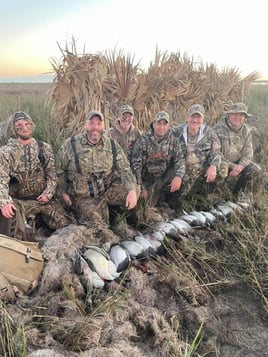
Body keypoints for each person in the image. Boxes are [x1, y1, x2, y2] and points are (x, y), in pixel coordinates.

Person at [55, 110, 139, 244]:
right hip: (84, 197)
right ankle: (100, 223)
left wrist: (132, 191)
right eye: (91, 123)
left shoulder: (111, 145)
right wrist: (63, 191)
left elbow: (125, 169)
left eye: (99, 123)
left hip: (106, 191)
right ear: (85, 125)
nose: (95, 127)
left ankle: (127, 220)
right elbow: (58, 170)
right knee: (99, 232)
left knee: (134, 190)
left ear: (103, 126)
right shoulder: (70, 145)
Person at [0, 111, 69, 239]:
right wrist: (5, 202)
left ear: (32, 125)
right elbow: (1, 181)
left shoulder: (44, 148)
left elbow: (52, 176)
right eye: (19, 125)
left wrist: (48, 194)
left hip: (43, 201)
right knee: (18, 235)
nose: (24, 128)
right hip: (19, 204)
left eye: (27, 124)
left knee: (66, 227)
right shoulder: (6, 152)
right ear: (14, 129)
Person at [131, 111, 185, 207]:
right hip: (146, 181)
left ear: (169, 126)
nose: (161, 127)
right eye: (159, 123)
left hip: (162, 179)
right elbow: (135, 166)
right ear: (153, 124)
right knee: (145, 205)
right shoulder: (143, 141)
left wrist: (178, 177)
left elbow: (180, 160)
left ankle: (173, 205)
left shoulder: (173, 141)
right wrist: (140, 187)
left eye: (165, 124)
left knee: (184, 176)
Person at [172, 104, 222, 199]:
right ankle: (182, 198)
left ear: (203, 119)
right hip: (182, 164)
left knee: (222, 168)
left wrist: (214, 166)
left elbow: (217, 151)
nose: (195, 120)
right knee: (193, 169)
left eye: (198, 117)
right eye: (192, 117)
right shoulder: (176, 132)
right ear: (187, 117)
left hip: (202, 164)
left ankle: (209, 194)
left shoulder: (209, 132)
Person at [213, 102, 261, 194]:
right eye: (234, 114)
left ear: (245, 117)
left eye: (241, 115)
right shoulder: (217, 129)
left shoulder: (246, 130)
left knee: (255, 170)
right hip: (221, 163)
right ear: (228, 115)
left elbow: (248, 153)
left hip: (238, 163)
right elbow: (215, 154)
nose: (237, 117)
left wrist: (240, 166)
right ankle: (213, 195)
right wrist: (232, 166)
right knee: (221, 172)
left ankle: (237, 195)